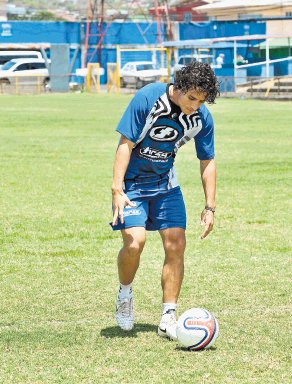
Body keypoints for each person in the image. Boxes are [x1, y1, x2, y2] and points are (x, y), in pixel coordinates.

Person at [110, 62, 220, 340]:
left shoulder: (201, 118)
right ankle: (125, 294)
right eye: (192, 98)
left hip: (165, 186)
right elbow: (125, 143)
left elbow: (207, 159)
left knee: (176, 244)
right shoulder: (148, 98)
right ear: (179, 87)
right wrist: (117, 189)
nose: (196, 105)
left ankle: (168, 317)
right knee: (135, 242)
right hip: (132, 185)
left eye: (202, 100)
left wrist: (210, 207)